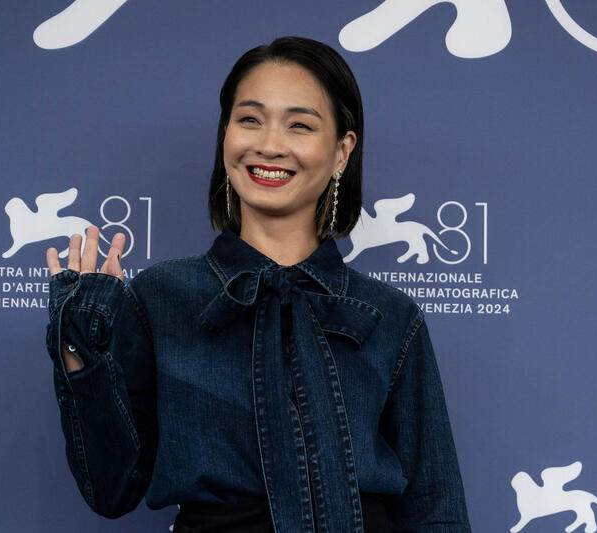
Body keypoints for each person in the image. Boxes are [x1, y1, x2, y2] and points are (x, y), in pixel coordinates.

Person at [44, 36, 470, 533]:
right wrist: (83, 350)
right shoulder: (160, 297)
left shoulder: (391, 315)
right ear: (225, 134)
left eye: (300, 125)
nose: (270, 144)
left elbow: (436, 508)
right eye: (250, 119)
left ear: (341, 151)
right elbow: (112, 488)